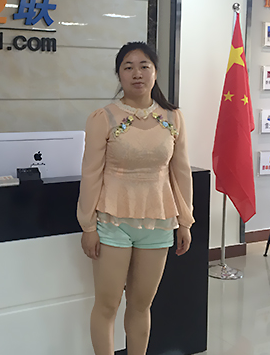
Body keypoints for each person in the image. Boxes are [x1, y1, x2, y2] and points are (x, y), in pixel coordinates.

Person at [77, 41, 194, 355]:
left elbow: (180, 172)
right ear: (119, 75)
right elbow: (91, 174)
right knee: (107, 304)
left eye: (144, 66)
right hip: (111, 221)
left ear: (155, 72)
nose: (137, 73)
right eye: (128, 67)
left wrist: (185, 221)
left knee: (141, 305)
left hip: (159, 221)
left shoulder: (173, 117)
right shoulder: (103, 117)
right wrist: (88, 226)